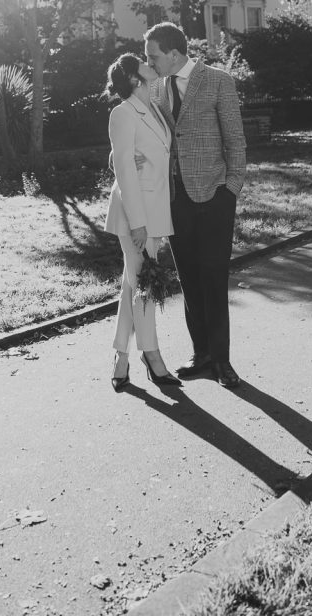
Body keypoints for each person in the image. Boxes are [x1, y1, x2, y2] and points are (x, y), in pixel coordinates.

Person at [144, 22, 247, 388]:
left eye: (153, 56)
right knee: (189, 278)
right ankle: (201, 353)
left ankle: (222, 361)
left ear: (174, 53)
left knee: (214, 278)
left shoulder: (218, 80)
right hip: (175, 198)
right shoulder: (155, 87)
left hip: (215, 195)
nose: (149, 62)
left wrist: (231, 188)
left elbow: (235, 139)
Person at [103, 53, 182, 392]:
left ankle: (121, 356)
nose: (151, 65)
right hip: (136, 215)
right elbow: (123, 165)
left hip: (156, 208)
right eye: (144, 64)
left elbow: (143, 152)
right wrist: (138, 223)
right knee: (146, 285)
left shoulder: (153, 105)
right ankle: (152, 355)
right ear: (135, 79)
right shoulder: (122, 113)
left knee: (133, 283)